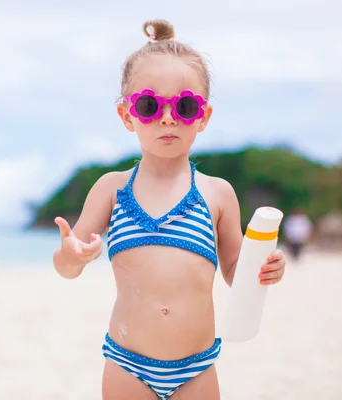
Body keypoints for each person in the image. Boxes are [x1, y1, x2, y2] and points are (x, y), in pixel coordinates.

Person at [52, 19, 286, 400]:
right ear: (128, 116)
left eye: (185, 105)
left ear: (203, 116)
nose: (167, 117)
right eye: (148, 105)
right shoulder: (112, 189)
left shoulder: (218, 194)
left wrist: (264, 269)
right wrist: (69, 254)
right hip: (127, 364)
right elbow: (67, 269)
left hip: (196, 367)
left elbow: (235, 272)